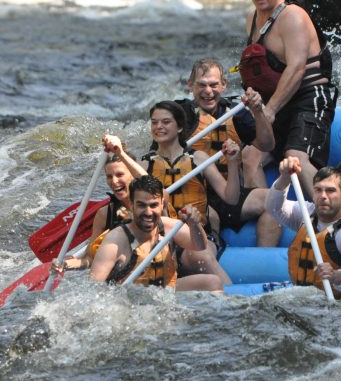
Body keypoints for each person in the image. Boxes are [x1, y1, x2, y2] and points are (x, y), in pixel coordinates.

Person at [239, 0, 337, 197]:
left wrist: (269, 111)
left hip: (309, 97)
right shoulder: (252, 18)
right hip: (279, 103)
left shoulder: (293, 16)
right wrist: (254, 99)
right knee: (249, 156)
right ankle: (267, 215)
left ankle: (331, 215)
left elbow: (296, 69)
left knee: (295, 154)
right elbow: (257, 68)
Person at [178, 59, 281, 246]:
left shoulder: (235, 112)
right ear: (190, 85)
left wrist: (258, 112)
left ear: (224, 85)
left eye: (214, 85)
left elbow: (267, 145)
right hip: (195, 198)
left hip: (230, 194)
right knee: (211, 218)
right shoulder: (180, 115)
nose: (208, 91)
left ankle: (263, 263)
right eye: (201, 85)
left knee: (274, 201)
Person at [136, 101, 240, 286]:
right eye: (154, 122)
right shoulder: (144, 166)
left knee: (203, 256)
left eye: (166, 122)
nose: (159, 127)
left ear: (180, 127)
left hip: (196, 236)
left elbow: (230, 197)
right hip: (161, 239)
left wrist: (232, 162)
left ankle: (233, 303)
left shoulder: (198, 159)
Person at [266, 157, 341, 300]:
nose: (323, 196)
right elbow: (273, 208)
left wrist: (335, 275)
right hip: (305, 300)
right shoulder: (306, 214)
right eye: (318, 190)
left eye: (330, 191)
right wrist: (285, 177)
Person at [90, 175, 223, 292]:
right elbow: (94, 289)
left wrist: (194, 224)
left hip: (166, 293)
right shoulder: (116, 240)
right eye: (142, 205)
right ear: (131, 205)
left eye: (153, 205)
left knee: (213, 283)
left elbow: (200, 246)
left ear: (161, 204)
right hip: (132, 303)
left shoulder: (168, 226)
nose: (148, 212)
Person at [53, 135, 148, 272]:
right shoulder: (104, 214)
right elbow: (90, 259)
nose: (114, 181)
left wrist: (120, 153)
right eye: (109, 176)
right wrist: (65, 265)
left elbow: (148, 182)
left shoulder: (151, 203)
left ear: (133, 175)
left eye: (119, 175)